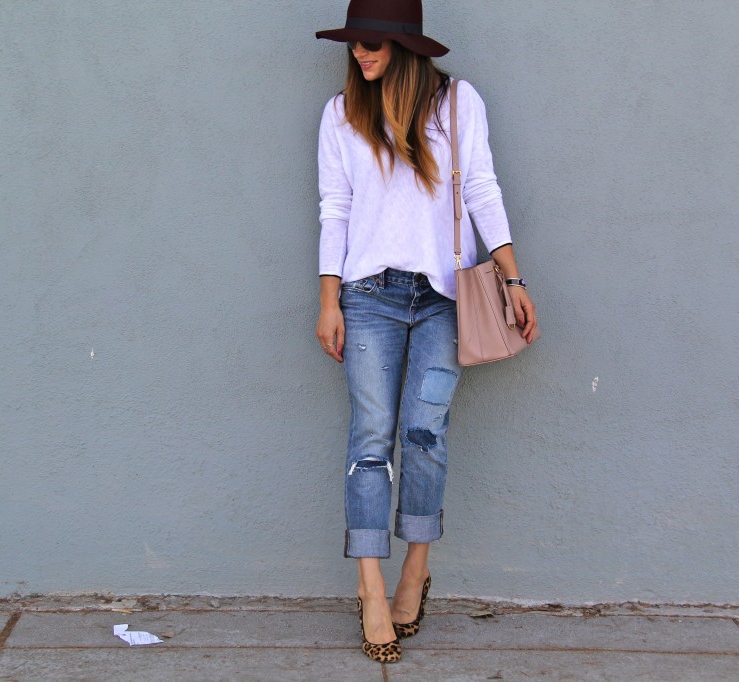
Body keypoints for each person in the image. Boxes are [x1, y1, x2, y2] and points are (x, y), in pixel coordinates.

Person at [315, 0, 538, 663]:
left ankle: (417, 568)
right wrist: (329, 299)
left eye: (371, 41)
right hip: (368, 296)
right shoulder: (339, 115)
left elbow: (483, 192)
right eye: (353, 43)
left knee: (425, 435)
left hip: (443, 297)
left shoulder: (458, 105)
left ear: (406, 46)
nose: (359, 52)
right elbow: (336, 208)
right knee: (370, 440)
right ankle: (371, 588)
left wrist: (515, 280)